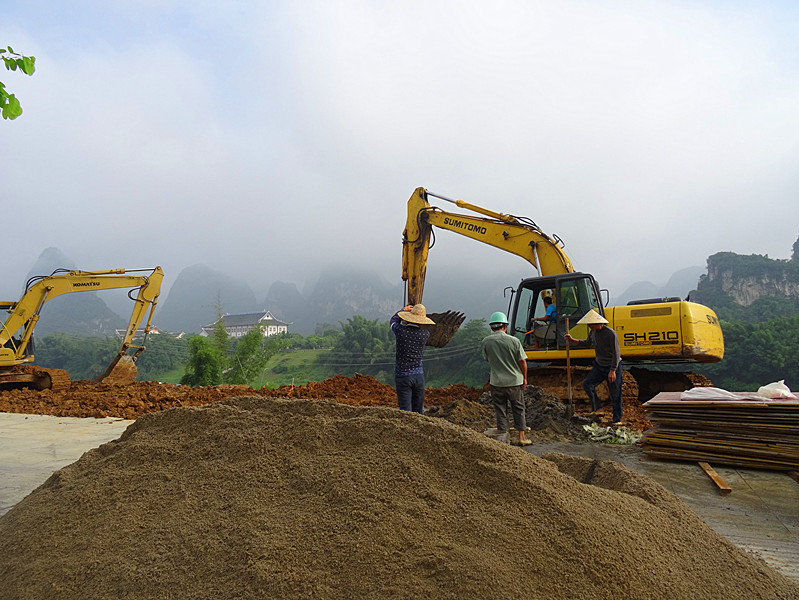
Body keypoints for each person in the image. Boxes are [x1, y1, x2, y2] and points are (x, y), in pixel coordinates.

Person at [564, 309, 623, 425]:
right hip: (599, 365)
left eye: (591, 324)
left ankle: (617, 420)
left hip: (612, 366)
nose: (590, 326)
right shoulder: (593, 332)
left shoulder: (610, 334)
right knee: (587, 384)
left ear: (598, 323)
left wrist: (613, 370)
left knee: (615, 393)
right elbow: (586, 343)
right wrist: (572, 340)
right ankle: (597, 409)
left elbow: (616, 353)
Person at [480, 311, 531, 446]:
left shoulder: (486, 341)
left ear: (492, 327)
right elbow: (523, 362)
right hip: (514, 382)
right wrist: (524, 378)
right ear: (505, 326)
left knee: (500, 409)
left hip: (496, 382)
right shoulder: (514, 341)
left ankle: (503, 438)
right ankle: (521, 437)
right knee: (518, 408)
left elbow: (487, 359)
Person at [390, 304, 435, 414]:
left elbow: (393, 321)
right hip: (419, 377)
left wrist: (403, 310)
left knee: (406, 412)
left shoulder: (401, 331)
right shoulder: (425, 334)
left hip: (403, 376)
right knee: (418, 411)